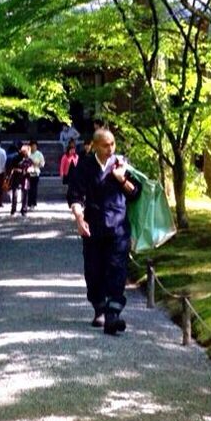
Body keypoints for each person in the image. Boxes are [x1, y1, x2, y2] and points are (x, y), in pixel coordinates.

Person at [67, 128, 141, 335]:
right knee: (94, 272)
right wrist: (79, 219)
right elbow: (75, 195)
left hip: (118, 227)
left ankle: (113, 315)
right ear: (95, 146)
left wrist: (121, 178)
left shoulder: (121, 164)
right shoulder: (84, 166)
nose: (110, 149)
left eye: (113, 144)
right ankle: (100, 308)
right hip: (93, 228)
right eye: (106, 145)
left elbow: (135, 192)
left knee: (117, 270)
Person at [7, 141, 31, 216]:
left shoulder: (16, 158)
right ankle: (23, 209)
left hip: (16, 176)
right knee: (24, 193)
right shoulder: (28, 159)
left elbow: (12, 167)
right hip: (25, 176)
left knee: (15, 192)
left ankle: (13, 209)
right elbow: (31, 168)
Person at [26, 141, 45, 209]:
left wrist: (37, 164)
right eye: (32, 146)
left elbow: (42, 164)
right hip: (28, 173)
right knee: (28, 189)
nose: (33, 147)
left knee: (34, 189)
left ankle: (33, 203)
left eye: (35, 146)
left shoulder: (39, 154)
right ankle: (28, 203)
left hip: (36, 173)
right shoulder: (27, 153)